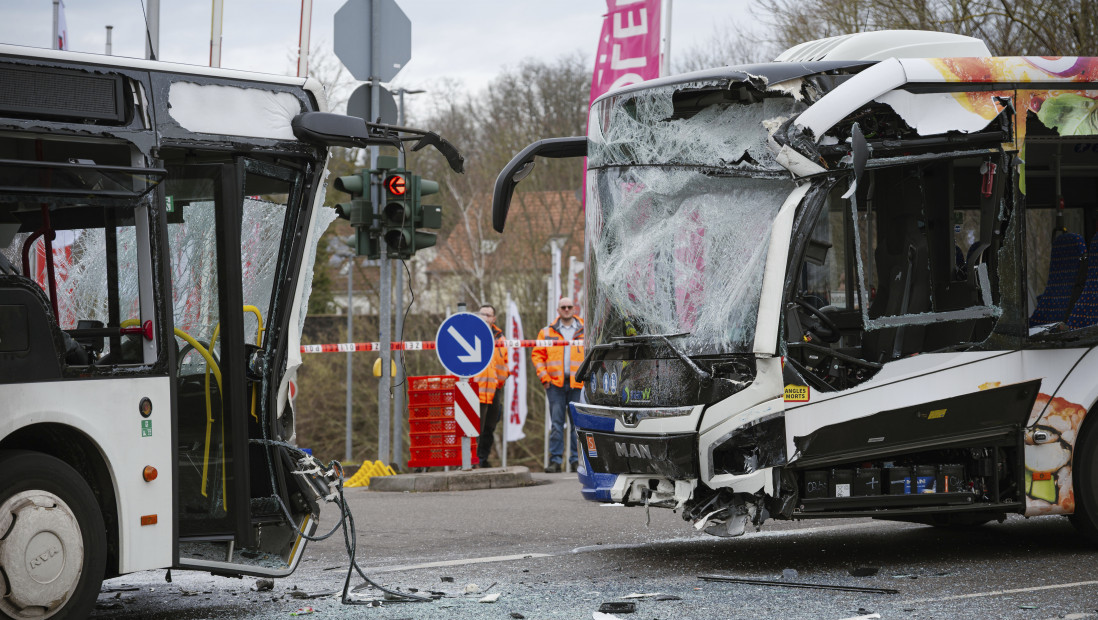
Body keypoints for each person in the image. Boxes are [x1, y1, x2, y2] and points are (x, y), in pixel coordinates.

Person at [532, 297, 585, 473]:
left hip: (577, 384)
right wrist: (544, 378)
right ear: (558, 309)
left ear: (574, 308)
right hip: (554, 384)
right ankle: (555, 461)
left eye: (570, 306)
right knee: (556, 424)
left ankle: (576, 460)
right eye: (563, 307)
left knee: (577, 425)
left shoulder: (586, 328)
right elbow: (537, 355)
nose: (567, 309)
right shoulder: (546, 332)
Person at [473, 303, 508, 468]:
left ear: (494, 318)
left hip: (495, 388)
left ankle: (482, 458)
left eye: (488, 315)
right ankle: (472, 460)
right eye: (482, 314)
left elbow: (504, 363)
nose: (485, 318)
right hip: (475, 388)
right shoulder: (470, 333)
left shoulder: (500, 338)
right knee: (474, 427)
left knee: (490, 426)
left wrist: (501, 382)